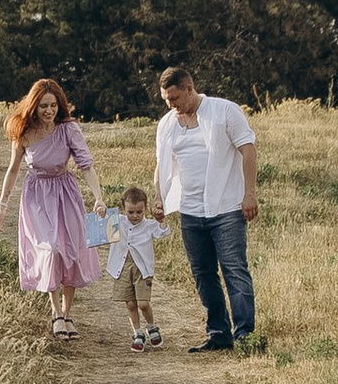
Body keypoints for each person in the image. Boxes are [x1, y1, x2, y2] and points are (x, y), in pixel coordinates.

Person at [153, 64, 258, 353]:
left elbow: (247, 148)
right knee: (203, 274)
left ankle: (245, 336)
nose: (170, 105)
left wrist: (249, 194)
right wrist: (159, 197)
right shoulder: (167, 124)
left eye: (174, 98)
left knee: (234, 269)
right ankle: (219, 334)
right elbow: (162, 165)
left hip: (226, 207)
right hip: (190, 210)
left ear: (189, 88)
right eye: (166, 100)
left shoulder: (224, 111)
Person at [0, 76, 103, 344]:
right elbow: (13, 169)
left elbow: (85, 165)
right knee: (50, 249)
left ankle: (67, 313)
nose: (49, 111)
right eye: (43, 106)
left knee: (73, 251)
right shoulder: (23, 133)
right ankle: (55, 312)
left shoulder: (68, 129)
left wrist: (98, 197)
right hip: (37, 197)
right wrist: (2, 206)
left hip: (66, 192)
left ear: (59, 106)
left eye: (53, 105)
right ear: (33, 107)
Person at [102, 183, 166, 347]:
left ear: (145, 208)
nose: (135, 216)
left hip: (142, 270)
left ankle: (151, 327)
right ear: (123, 208)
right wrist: (102, 212)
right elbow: (101, 229)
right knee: (130, 303)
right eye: (131, 212)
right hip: (121, 268)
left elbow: (163, 233)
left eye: (139, 212)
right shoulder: (117, 221)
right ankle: (137, 332)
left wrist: (161, 219)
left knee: (143, 303)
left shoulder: (149, 225)